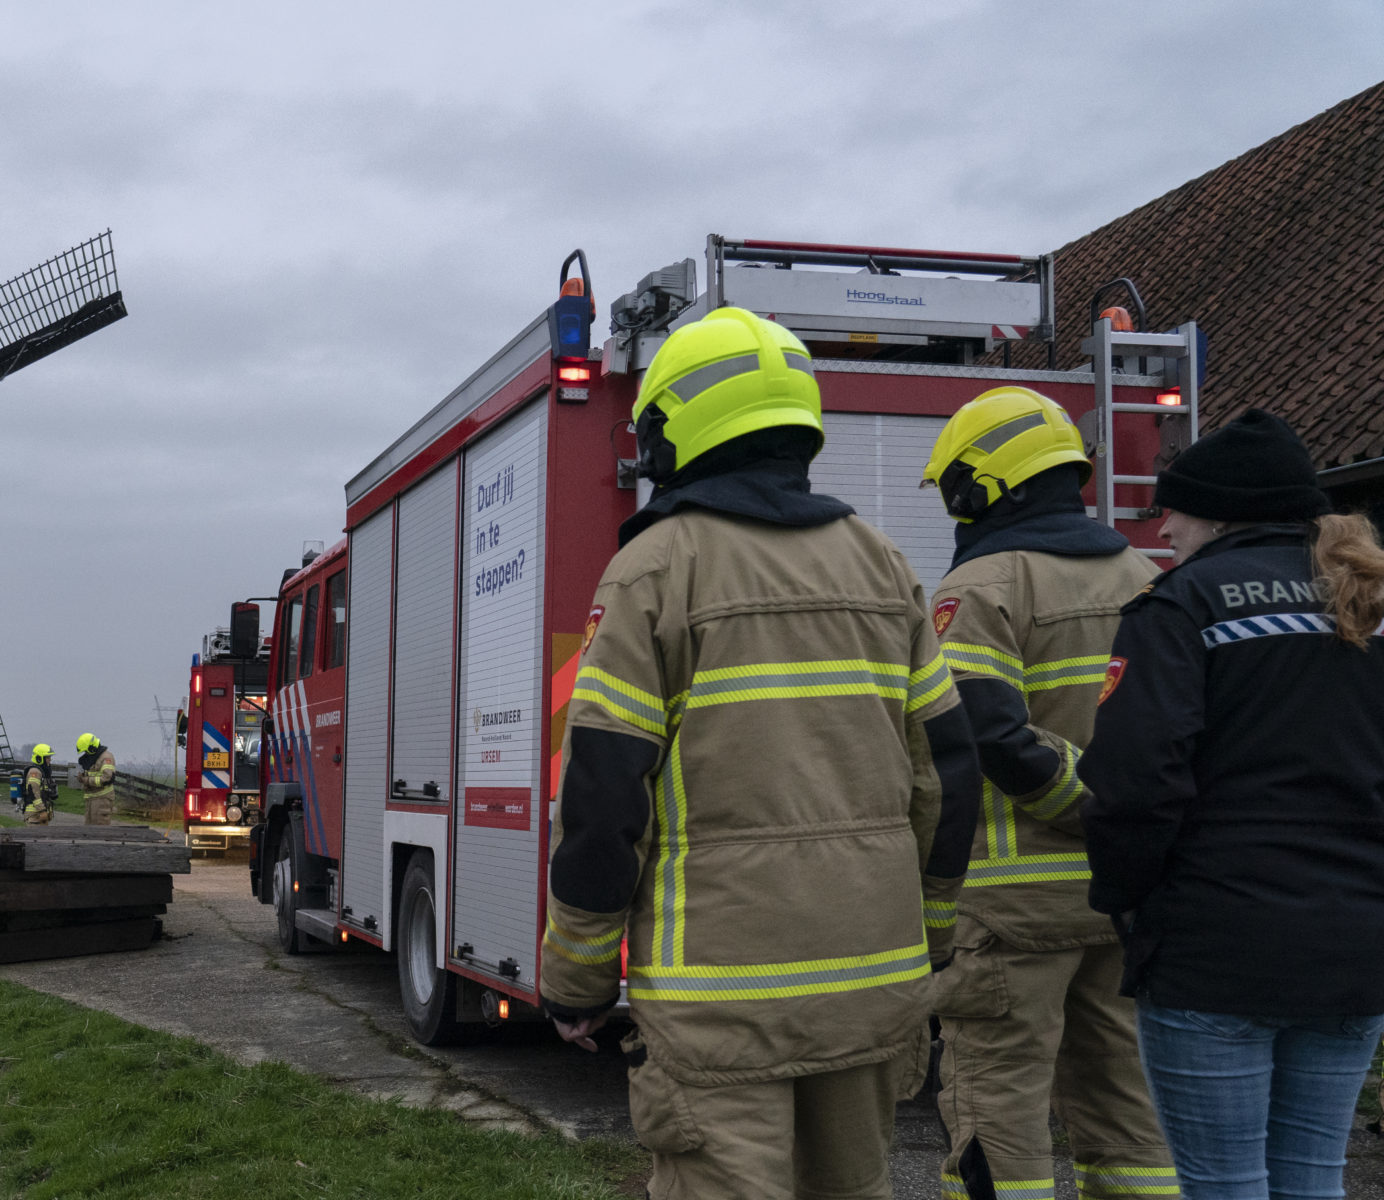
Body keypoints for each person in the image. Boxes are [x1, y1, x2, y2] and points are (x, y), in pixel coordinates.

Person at [539, 306, 981, 1199]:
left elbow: (603, 792)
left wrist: (578, 975)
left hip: (721, 1007)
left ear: (675, 430)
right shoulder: (885, 565)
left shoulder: (657, 569)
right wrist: (927, 939)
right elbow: (950, 772)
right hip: (871, 987)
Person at [1080, 409, 1384, 1197]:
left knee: (1222, 1185)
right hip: (1356, 945)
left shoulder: (1181, 606)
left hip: (1214, 947)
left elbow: (1134, 782)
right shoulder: (1372, 607)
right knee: (1314, 1182)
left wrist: (1126, 901)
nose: (1166, 527)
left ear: (1215, 512)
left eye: (1173, 510)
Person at [917, 387, 1175, 1199]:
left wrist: (1082, 807)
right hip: (1124, 898)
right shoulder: (1145, 575)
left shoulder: (985, 585)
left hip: (1012, 913)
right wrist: (1125, 824)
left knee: (998, 1110)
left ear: (982, 486)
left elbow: (985, 734)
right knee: (1128, 1111)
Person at [76, 734, 116, 826]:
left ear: (92, 748)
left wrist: (86, 780)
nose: (86, 753)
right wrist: (82, 776)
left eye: (86, 750)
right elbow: (93, 773)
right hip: (92, 799)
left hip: (102, 799)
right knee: (89, 829)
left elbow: (106, 779)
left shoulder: (106, 757)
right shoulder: (95, 758)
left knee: (100, 830)